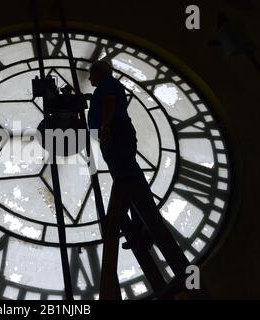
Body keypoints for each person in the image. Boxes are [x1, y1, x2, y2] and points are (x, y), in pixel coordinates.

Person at [88, 60, 191, 300]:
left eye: (92, 75)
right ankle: (140, 223)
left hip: (115, 131)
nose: (90, 79)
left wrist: (105, 128)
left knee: (125, 175)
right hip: (119, 130)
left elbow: (109, 103)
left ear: (98, 73)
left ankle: (139, 223)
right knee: (127, 175)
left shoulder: (106, 87)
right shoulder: (109, 85)